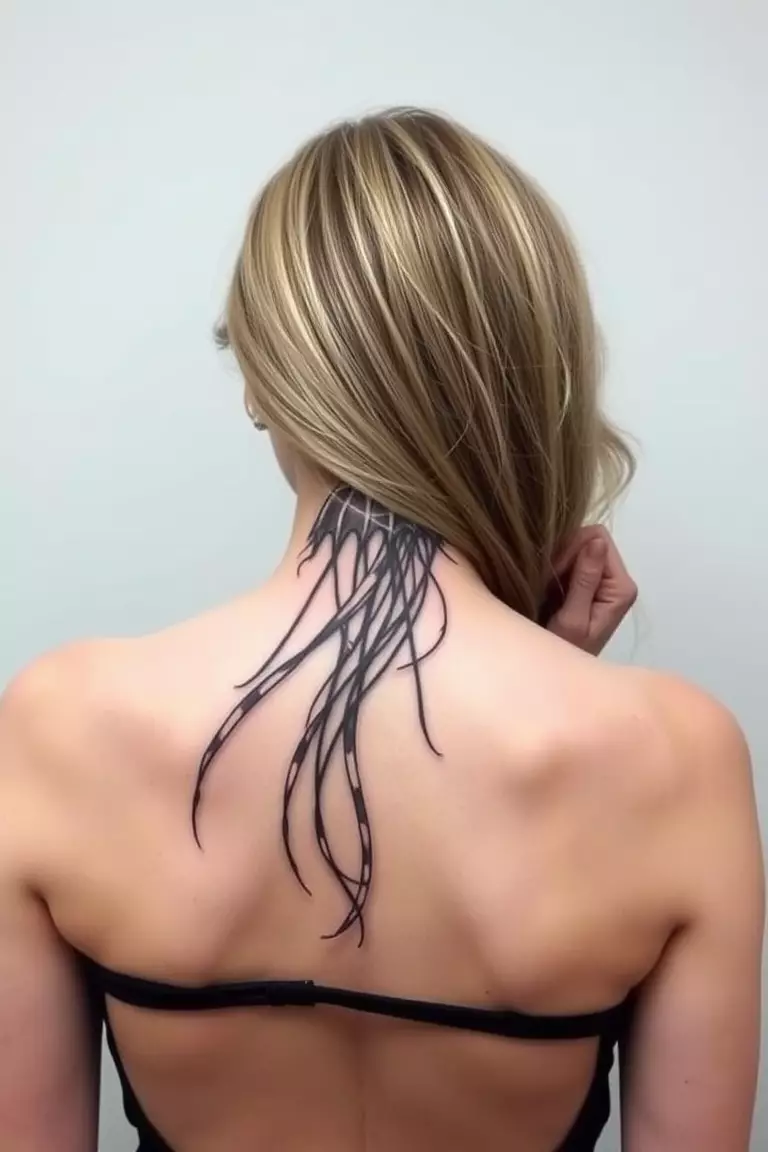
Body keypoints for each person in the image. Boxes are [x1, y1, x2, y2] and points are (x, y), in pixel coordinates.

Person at [0, 109, 762, 1152]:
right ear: (533, 375)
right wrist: (552, 677)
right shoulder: (675, 755)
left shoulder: (60, 724)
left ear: (268, 385)